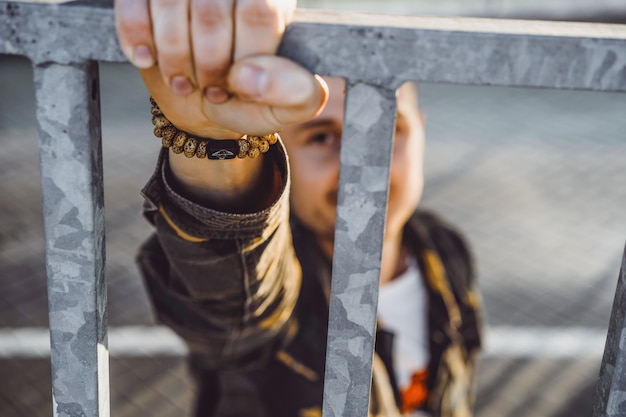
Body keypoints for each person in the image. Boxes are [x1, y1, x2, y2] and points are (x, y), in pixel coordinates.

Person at [115, 1, 483, 416]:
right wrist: (216, 142)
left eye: (388, 129)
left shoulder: (444, 248)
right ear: (278, 147)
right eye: (322, 137)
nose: (360, 162)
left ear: (421, 130)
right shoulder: (273, 283)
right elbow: (232, 290)